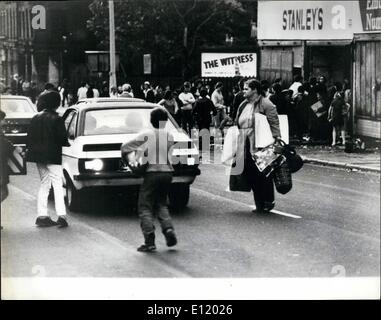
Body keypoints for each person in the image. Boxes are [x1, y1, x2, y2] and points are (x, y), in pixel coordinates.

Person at [121, 107, 177, 252]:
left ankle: (149, 240)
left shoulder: (147, 134)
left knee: (145, 206)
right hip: (167, 173)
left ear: (151, 121)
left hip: (152, 173)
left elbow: (125, 147)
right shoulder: (169, 136)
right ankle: (168, 229)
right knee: (161, 203)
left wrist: (130, 162)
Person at [233, 79, 281, 213]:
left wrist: (277, 139)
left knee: (263, 173)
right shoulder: (243, 104)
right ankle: (258, 203)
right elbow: (237, 122)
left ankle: (268, 201)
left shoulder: (266, 104)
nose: (244, 91)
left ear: (254, 90)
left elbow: (274, 123)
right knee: (250, 173)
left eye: (246, 88)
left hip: (261, 145)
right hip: (245, 143)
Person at [27, 90, 70, 228]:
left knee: (44, 184)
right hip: (53, 156)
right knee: (57, 184)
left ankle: (42, 215)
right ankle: (61, 216)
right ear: (56, 104)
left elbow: (30, 139)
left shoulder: (35, 118)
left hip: (39, 157)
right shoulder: (57, 119)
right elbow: (63, 139)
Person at [192, 87, 217, 153]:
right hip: (207, 119)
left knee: (200, 131)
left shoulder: (197, 101)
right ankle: (206, 146)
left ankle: (200, 146)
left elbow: (193, 111)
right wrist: (213, 113)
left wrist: (195, 116)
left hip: (199, 119)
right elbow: (214, 111)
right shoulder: (209, 101)